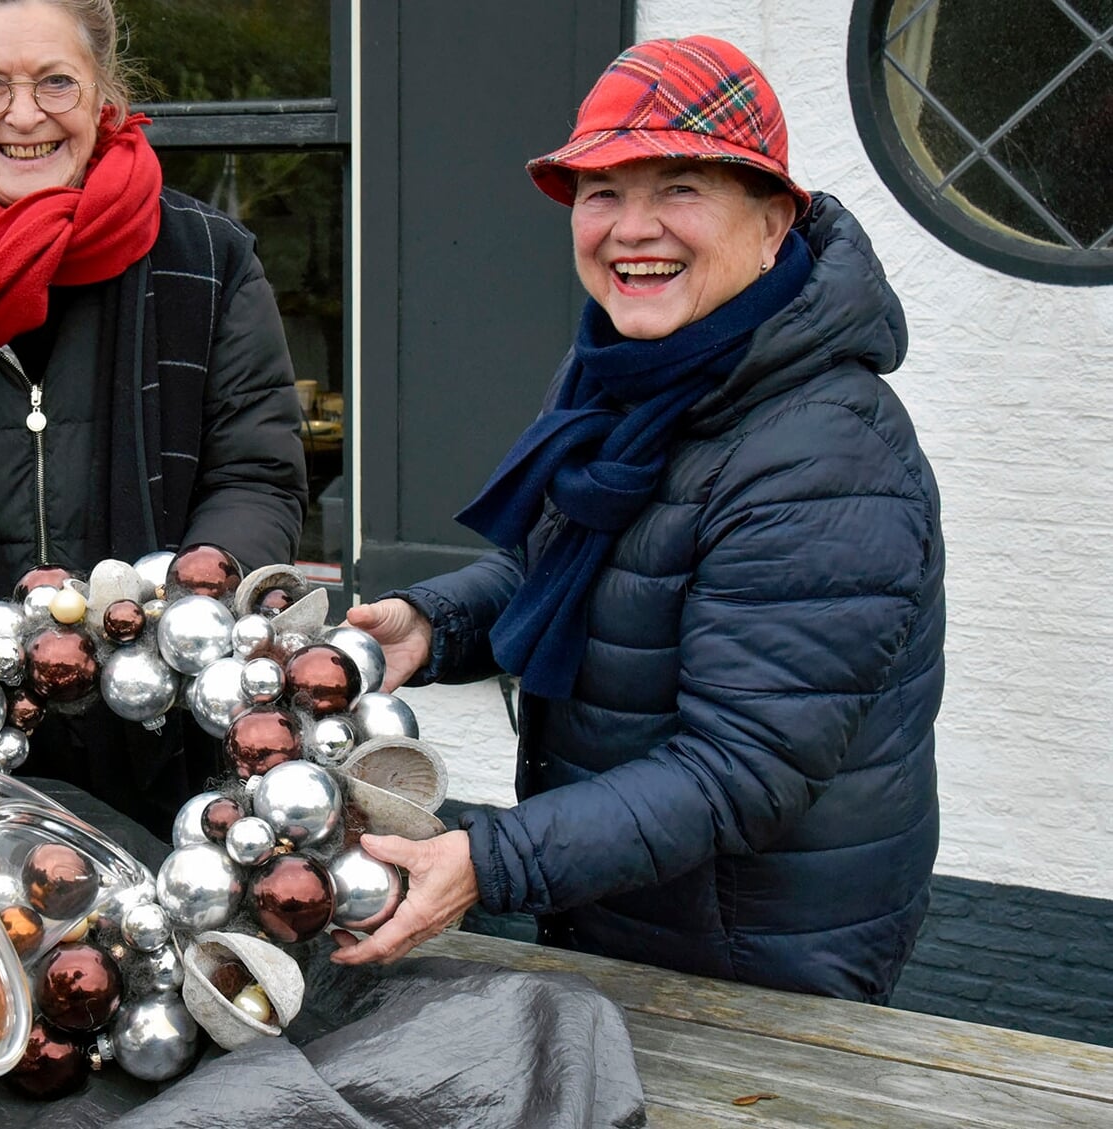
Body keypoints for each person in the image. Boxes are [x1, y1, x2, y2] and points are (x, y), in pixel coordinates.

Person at [331, 36, 943, 1004]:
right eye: (601, 193)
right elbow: (575, 568)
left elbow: (736, 769)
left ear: (774, 219)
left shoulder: (826, 450)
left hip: (749, 964)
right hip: (620, 914)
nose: (630, 228)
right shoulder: (622, 373)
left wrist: (489, 863)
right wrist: (432, 625)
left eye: (678, 189)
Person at [0, 0, 308, 833]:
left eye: (54, 82)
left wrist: (162, 619)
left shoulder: (207, 262)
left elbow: (255, 476)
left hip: (175, 742)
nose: (24, 115)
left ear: (103, 96)